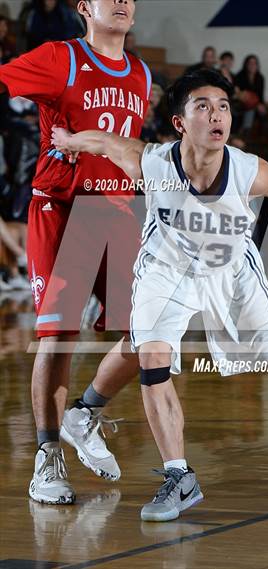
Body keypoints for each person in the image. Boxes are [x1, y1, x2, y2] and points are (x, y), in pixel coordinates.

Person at [52, 69, 268, 521]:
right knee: (152, 356)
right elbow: (103, 141)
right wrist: (68, 139)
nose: (217, 114)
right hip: (167, 270)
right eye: (203, 106)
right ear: (180, 123)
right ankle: (178, 476)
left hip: (232, 271)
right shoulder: (153, 161)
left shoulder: (244, 167)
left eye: (222, 106)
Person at [0, 0, 151, 505]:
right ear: (85, 6)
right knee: (59, 335)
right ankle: (46, 459)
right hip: (62, 208)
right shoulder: (59, 57)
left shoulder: (142, 73)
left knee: (150, 330)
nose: (125, 2)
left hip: (117, 211)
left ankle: (84, 412)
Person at [235, 54, 268, 131]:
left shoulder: (260, 77)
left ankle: (263, 135)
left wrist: (261, 104)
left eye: (254, 63)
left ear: (257, 65)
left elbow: (261, 95)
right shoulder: (240, 76)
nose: (252, 65)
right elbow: (238, 93)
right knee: (250, 108)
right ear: (246, 65)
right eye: (250, 63)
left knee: (265, 111)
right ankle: (246, 131)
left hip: (256, 102)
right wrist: (255, 104)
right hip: (242, 103)